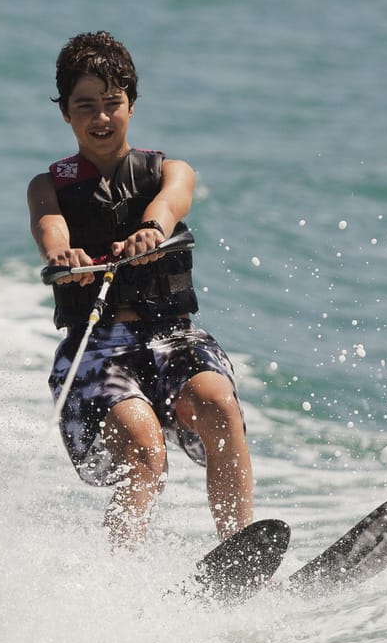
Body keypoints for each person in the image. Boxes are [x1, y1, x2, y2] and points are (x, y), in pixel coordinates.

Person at [28, 31, 254, 548]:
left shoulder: (170, 171)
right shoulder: (47, 187)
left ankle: (239, 551)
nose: (101, 118)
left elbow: (174, 202)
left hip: (172, 338)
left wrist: (152, 227)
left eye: (113, 103)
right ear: (65, 112)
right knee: (145, 452)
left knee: (220, 406)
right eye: (86, 106)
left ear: (131, 103)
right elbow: (50, 230)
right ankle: (117, 585)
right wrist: (63, 255)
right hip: (98, 352)